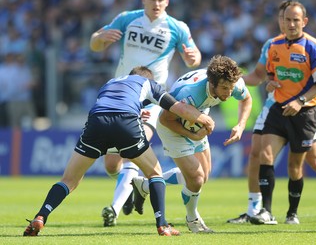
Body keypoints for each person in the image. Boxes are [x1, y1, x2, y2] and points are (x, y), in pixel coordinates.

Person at [22, 66, 214, 237]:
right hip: (125, 120)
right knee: (154, 173)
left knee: (69, 180)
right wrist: (202, 119)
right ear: (149, 79)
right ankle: (162, 225)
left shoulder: (110, 82)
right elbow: (177, 107)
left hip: (96, 121)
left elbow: (110, 106)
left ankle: (41, 216)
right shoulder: (148, 84)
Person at [227, 0, 316, 225]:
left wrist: (301, 101)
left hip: (304, 112)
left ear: (304, 21)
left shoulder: (313, 46)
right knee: (262, 153)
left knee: (314, 162)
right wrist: (236, 79)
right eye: (286, 19)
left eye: (295, 20)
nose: (290, 24)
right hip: (278, 108)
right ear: (280, 21)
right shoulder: (272, 45)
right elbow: (261, 75)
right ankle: (263, 211)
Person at [89, 0, 202, 226]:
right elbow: (94, 43)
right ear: (144, 0)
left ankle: (114, 208)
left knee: (133, 149)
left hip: (151, 99)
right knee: (112, 164)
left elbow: (195, 56)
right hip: (123, 97)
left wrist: (193, 59)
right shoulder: (126, 19)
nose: (156, 3)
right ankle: (131, 186)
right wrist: (100, 39)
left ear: (167, 1)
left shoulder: (177, 27)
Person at [132, 55, 252, 233]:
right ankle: (192, 219)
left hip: (196, 120)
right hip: (172, 127)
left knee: (203, 177)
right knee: (195, 180)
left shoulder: (231, 82)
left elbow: (246, 99)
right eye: (225, 88)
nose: (229, 93)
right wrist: (192, 135)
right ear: (211, 83)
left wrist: (241, 126)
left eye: (231, 88)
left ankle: (145, 185)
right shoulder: (189, 94)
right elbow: (165, 119)